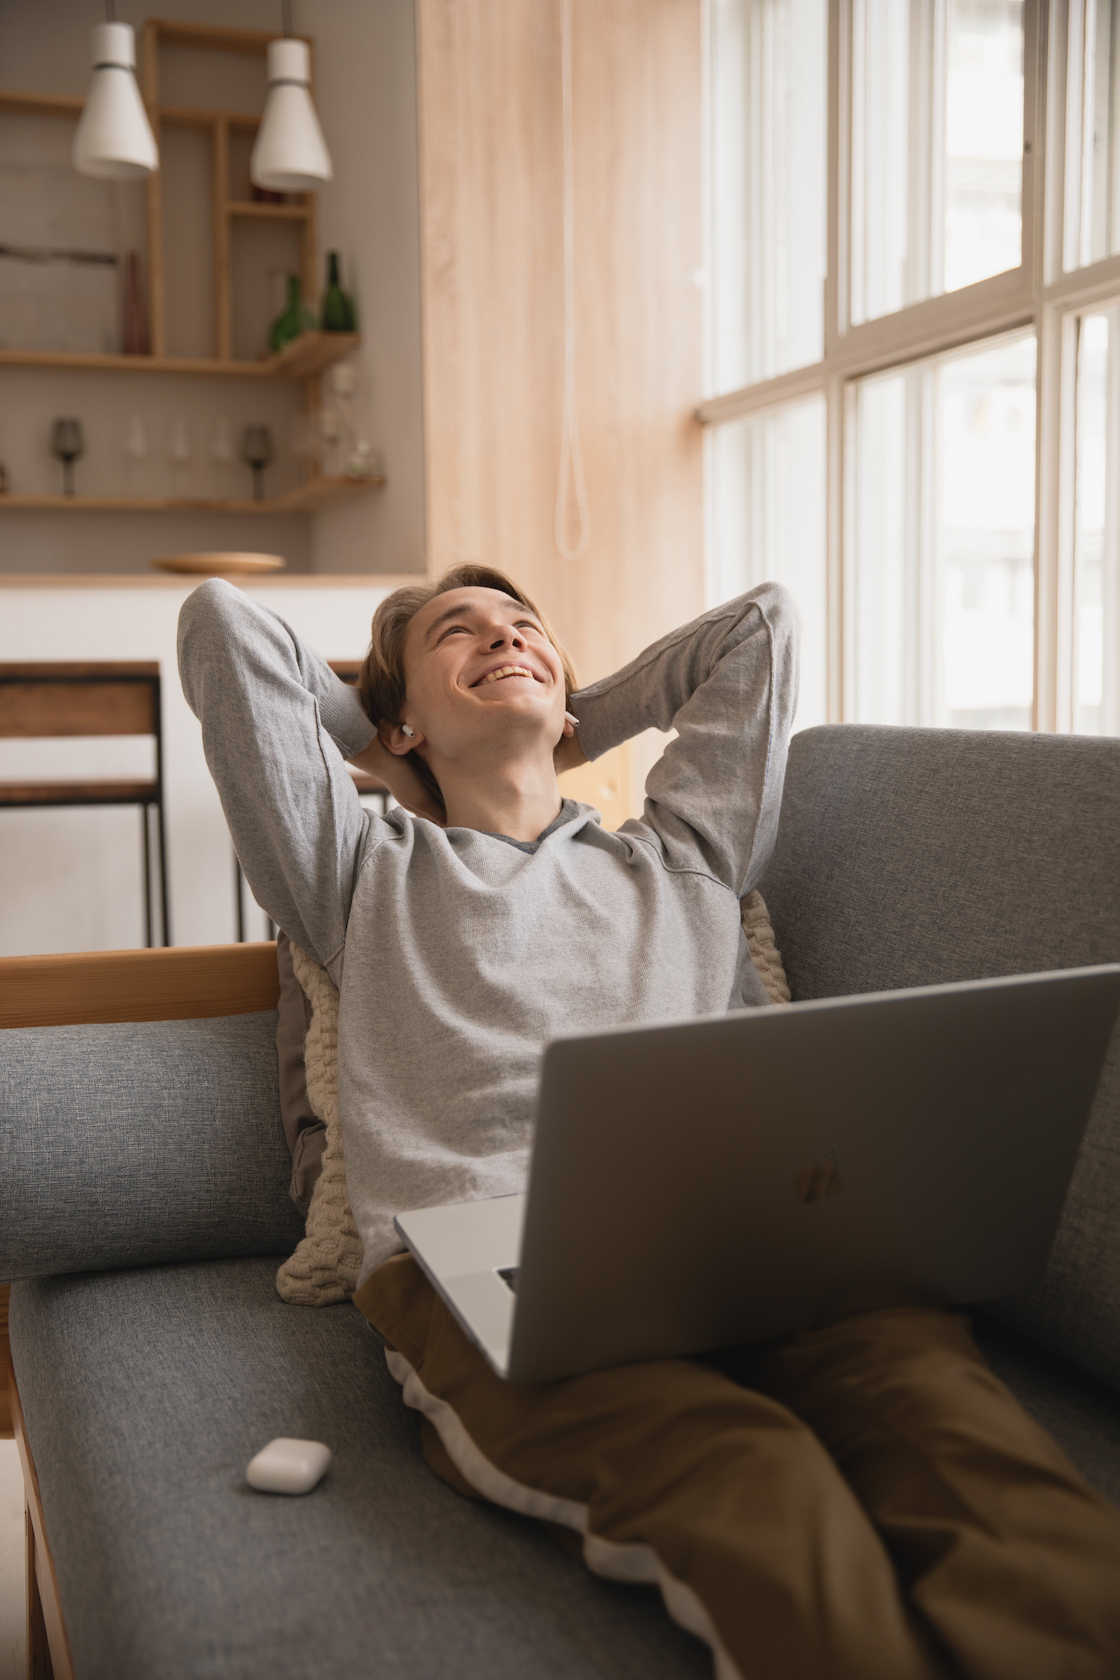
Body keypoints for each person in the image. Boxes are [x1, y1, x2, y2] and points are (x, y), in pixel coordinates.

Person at [179, 565, 1120, 1680]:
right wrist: (392, 746)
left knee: (975, 1462)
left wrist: (555, 710)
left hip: (760, 1242)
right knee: (751, 1482)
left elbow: (761, 626)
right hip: (498, 1260)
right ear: (397, 722)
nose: (504, 636)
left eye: (526, 627)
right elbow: (224, 628)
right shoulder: (359, 869)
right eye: (458, 633)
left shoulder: (681, 857)